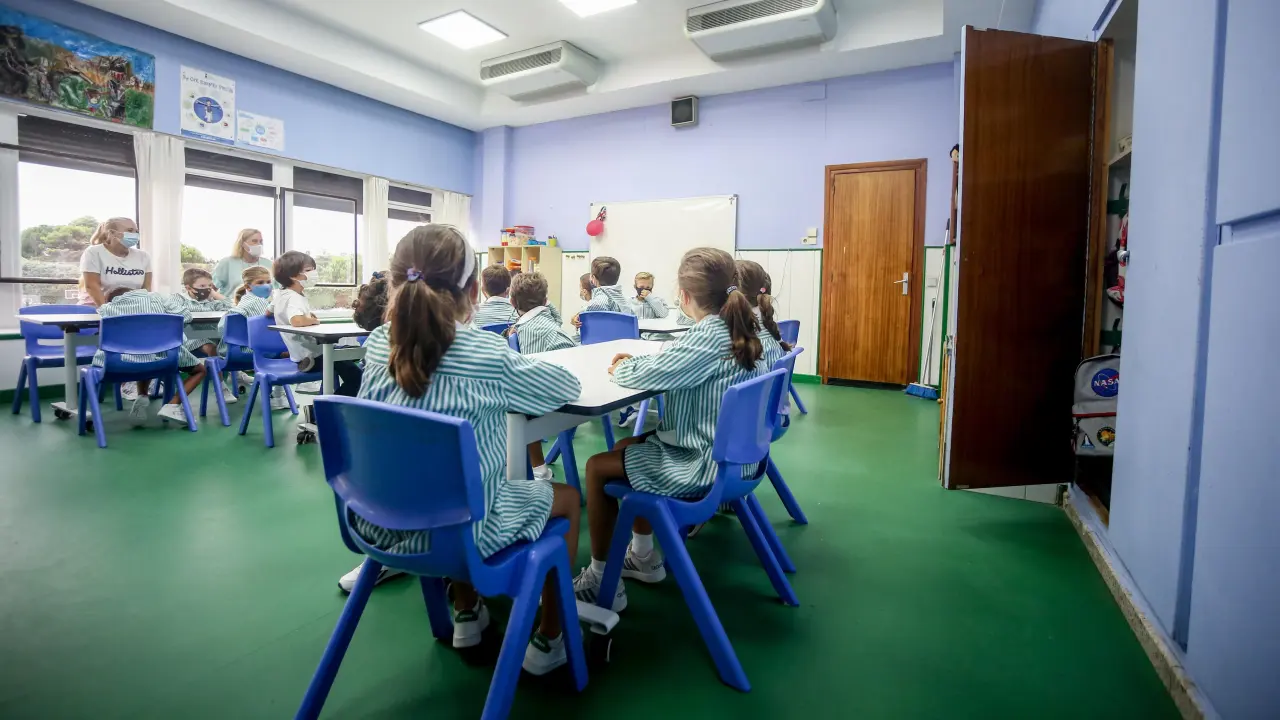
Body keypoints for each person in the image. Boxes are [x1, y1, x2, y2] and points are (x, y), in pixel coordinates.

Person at [337, 224, 583, 675]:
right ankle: (552, 638)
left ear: (395, 285)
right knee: (564, 498)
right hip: (463, 537)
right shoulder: (487, 353)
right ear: (474, 292)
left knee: (442, 482)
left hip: (378, 523)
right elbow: (564, 388)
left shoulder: (376, 346)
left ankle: (467, 610)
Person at [573, 248, 766, 610]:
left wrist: (622, 368)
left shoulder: (706, 336)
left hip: (703, 466)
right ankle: (642, 555)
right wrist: (644, 361)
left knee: (596, 467)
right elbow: (677, 362)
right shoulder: (736, 328)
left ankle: (601, 579)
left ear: (685, 295)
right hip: (738, 460)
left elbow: (649, 374)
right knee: (626, 446)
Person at [95, 287, 208, 425]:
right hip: (164, 358)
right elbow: (186, 316)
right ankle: (173, 405)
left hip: (118, 363)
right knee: (200, 370)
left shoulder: (107, 309)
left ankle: (142, 396)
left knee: (143, 355)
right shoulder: (158, 298)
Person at [508, 271, 577, 483]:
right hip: (559, 401)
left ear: (512, 302)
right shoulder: (553, 332)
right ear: (546, 300)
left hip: (528, 405)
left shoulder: (519, 329)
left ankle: (538, 467)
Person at [271, 251, 362, 397]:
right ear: (293, 275)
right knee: (357, 377)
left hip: (301, 354)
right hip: (314, 355)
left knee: (348, 354)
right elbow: (296, 320)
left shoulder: (281, 294)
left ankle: (324, 405)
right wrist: (313, 320)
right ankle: (325, 408)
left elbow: (268, 312)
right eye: (308, 270)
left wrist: (305, 317)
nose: (314, 273)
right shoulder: (294, 298)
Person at [219, 266, 291, 411]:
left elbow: (221, 327)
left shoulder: (241, 304)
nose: (267, 285)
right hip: (257, 353)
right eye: (260, 282)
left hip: (231, 354)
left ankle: (277, 395)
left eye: (268, 281)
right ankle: (278, 396)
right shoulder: (260, 303)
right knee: (289, 350)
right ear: (248, 287)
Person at [173, 267, 235, 404]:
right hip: (185, 340)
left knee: (225, 343)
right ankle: (221, 387)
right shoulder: (179, 299)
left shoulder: (210, 302)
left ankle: (235, 374)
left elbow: (232, 306)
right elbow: (175, 314)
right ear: (188, 287)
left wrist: (214, 294)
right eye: (202, 286)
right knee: (211, 347)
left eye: (209, 286)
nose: (206, 289)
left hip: (209, 338)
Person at [78, 217, 151, 306]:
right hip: (97, 307)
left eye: (136, 231)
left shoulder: (143, 256)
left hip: (132, 308)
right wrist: (106, 310)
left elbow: (146, 289)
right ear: (112, 233)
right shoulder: (94, 252)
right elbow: (92, 286)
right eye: (130, 230)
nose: (135, 234)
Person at [211, 229, 272, 296]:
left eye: (261, 241)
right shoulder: (226, 263)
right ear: (243, 243)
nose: (259, 244)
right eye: (254, 241)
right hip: (231, 302)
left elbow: (277, 290)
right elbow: (210, 289)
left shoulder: (269, 264)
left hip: (264, 302)